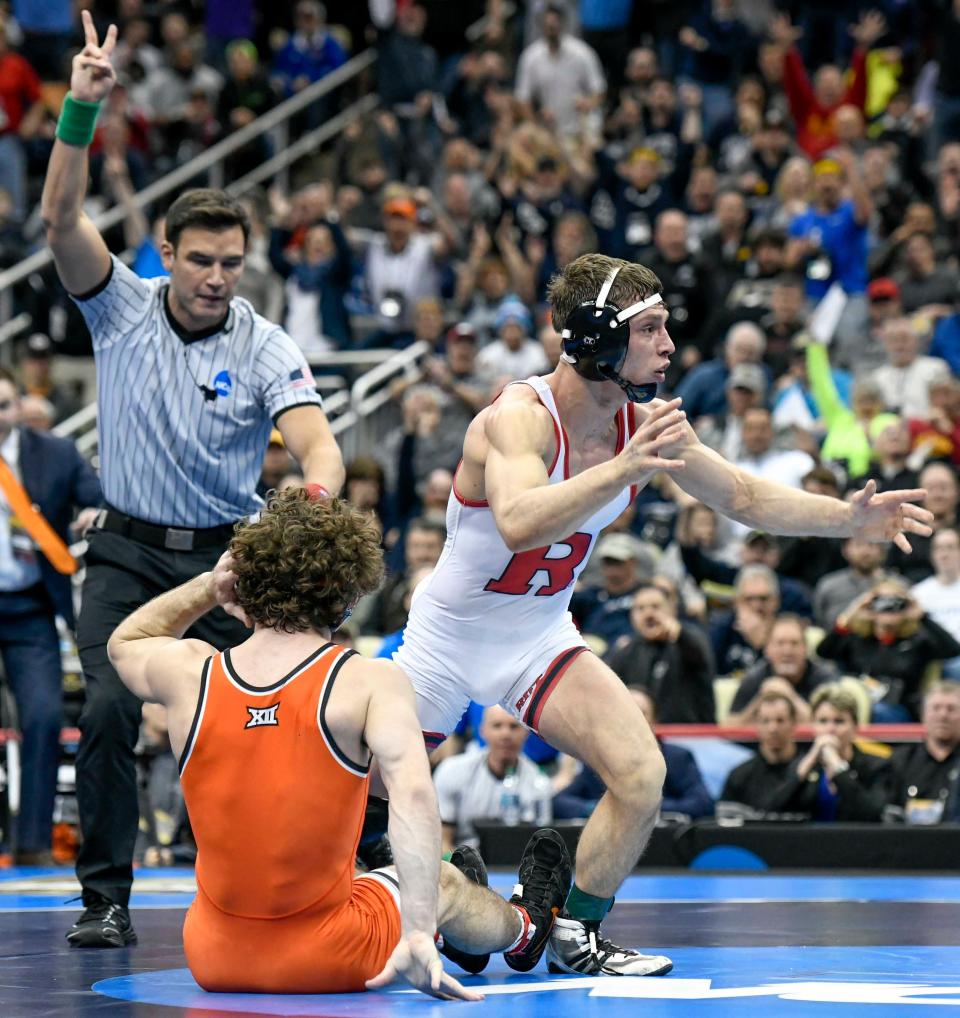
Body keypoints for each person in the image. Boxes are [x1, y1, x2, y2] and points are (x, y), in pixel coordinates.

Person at [353, 251, 928, 976]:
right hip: (445, 640)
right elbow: (521, 521)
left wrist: (847, 520)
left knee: (640, 774)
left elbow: (743, 499)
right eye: (651, 329)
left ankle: (573, 933)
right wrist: (621, 470)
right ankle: (462, 914)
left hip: (535, 633)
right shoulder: (518, 418)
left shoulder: (646, 423)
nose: (669, 346)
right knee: (355, 805)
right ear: (596, 340)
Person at [43, 14, 345, 949]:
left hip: (232, 562)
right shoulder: (117, 308)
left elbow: (318, 447)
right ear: (167, 255)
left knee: (331, 698)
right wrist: (83, 106)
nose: (217, 278)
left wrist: (315, 497)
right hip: (127, 553)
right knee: (104, 708)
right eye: (201, 260)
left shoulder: (266, 344)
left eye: (232, 263)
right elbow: (59, 216)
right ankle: (106, 899)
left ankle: (365, 865)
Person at [106, 489, 573, 994]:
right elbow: (413, 800)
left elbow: (124, 642)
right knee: (443, 884)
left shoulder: (191, 672)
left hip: (212, 956)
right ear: (349, 597)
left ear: (245, 584)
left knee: (360, 877)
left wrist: (207, 587)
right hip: (328, 954)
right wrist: (417, 929)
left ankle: (445, 928)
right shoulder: (367, 682)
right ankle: (524, 929)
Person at [0, 368, 101, 863]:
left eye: (3, 404)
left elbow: (97, 498)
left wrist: (88, 515)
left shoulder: (55, 453)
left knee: (42, 716)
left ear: (19, 406)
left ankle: (33, 842)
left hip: (31, 607)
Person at [555, 688, 713, 820]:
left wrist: (642, 808)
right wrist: (599, 810)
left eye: (641, 713)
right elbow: (559, 803)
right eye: (626, 713)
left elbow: (702, 804)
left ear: (654, 721)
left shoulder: (678, 758)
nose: (634, 720)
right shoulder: (599, 762)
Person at [433, 705, 554, 853]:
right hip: (460, 862)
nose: (505, 734)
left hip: (517, 865)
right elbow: (442, 841)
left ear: (526, 732)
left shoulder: (539, 783)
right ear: (483, 731)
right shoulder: (451, 772)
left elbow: (540, 848)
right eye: (497, 726)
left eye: (514, 726)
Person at [767, 684, 893, 821]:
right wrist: (808, 762)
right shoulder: (800, 766)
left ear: (855, 727)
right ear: (813, 726)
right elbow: (773, 811)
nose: (830, 729)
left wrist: (837, 768)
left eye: (839, 721)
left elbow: (872, 814)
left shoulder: (877, 766)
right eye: (822, 721)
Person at [727, 614, 835, 725]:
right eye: (780, 643)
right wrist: (760, 699)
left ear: (805, 649)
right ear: (767, 650)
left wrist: (790, 696)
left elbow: (831, 726)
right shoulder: (754, 678)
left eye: (794, 643)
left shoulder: (824, 679)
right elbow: (730, 727)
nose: (787, 651)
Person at [889, 682, 960, 824]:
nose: (943, 715)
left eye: (951, 709)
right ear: (923, 715)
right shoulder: (901, 760)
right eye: (936, 708)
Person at [719, 692, 802, 814]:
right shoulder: (739, 776)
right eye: (765, 721)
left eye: (780, 720)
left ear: (794, 723)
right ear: (756, 725)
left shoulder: (812, 771)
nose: (773, 728)